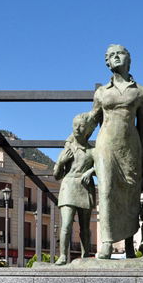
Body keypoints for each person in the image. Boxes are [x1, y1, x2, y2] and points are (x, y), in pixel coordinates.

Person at [88, 44, 143, 259]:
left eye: (119, 54)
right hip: (105, 145)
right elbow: (91, 121)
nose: (115, 57)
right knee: (105, 191)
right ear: (107, 63)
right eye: (110, 56)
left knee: (130, 193)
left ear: (129, 59)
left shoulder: (142, 92)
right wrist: (75, 143)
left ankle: (129, 244)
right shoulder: (101, 93)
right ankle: (106, 242)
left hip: (131, 146)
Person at [53, 112, 96, 265]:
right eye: (75, 125)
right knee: (66, 224)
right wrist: (62, 162)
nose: (77, 128)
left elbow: (102, 168)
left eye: (81, 126)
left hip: (85, 189)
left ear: (88, 129)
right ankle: (63, 255)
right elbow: (56, 175)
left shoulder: (93, 151)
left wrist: (91, 171)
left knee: (85, 227)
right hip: (69, 187)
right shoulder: (68, 149)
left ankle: (85, 256)